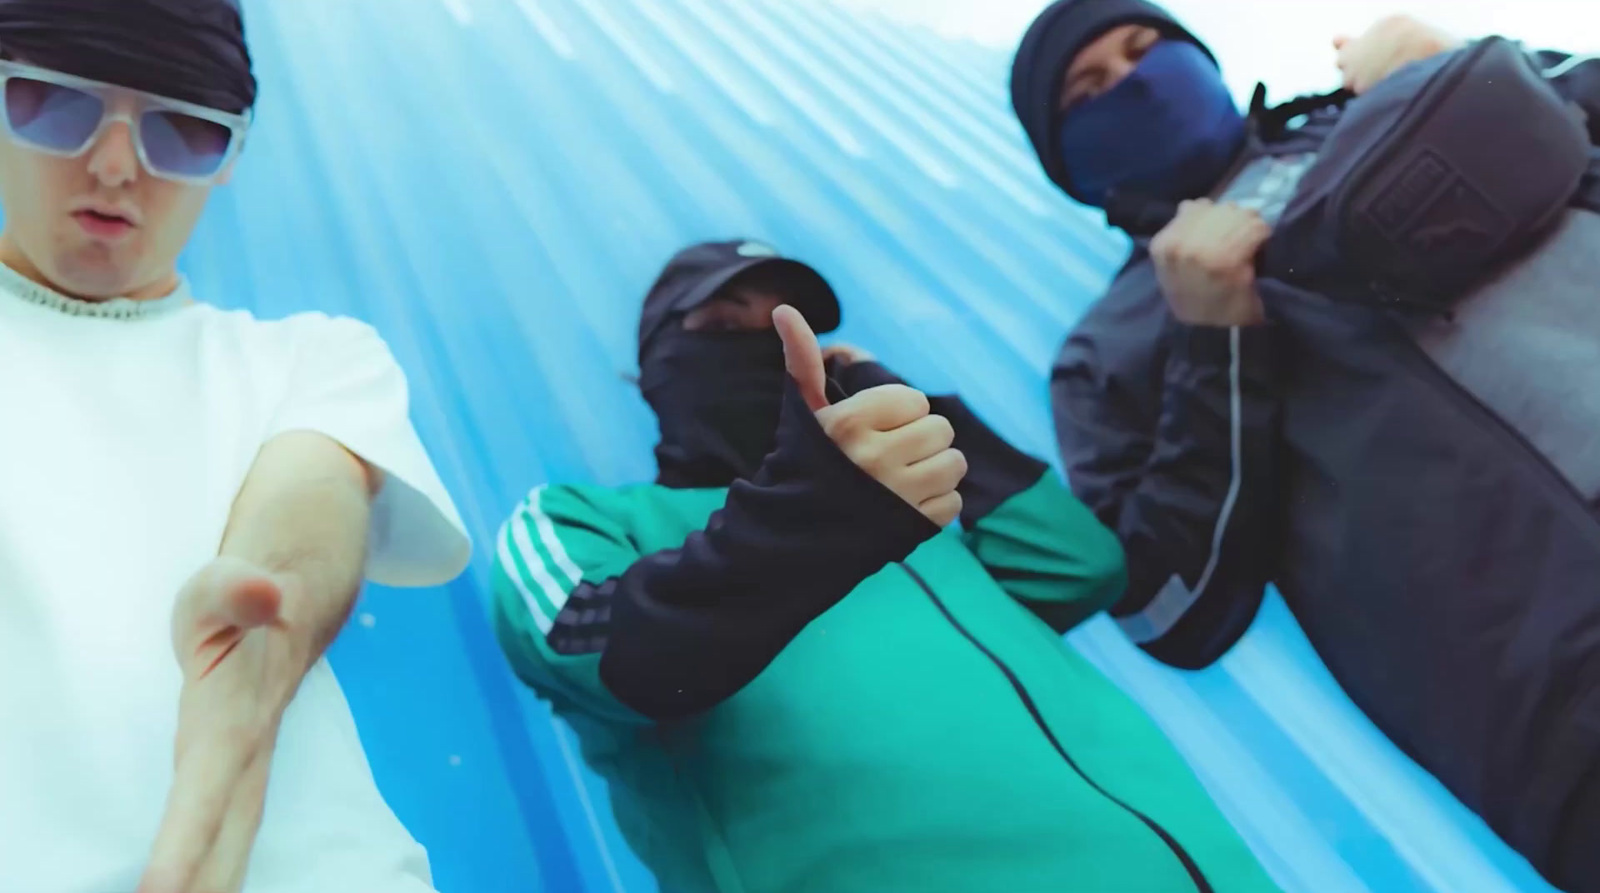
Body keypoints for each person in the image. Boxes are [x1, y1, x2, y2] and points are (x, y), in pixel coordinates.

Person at [1011, 2, 1600, 890]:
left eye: (1144, 51)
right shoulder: (1111, 348)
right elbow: (1169, 604)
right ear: (1069, 164)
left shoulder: (1391, 105)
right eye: (1088, 89)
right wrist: (1213, 340)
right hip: (1562, 710)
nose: (1130, 83)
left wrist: (1488, 70)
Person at [491, 239, 1283, 893]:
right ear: (660, 362)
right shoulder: (590, 517)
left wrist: (915, 411)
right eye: (725, 322)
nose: (763, 343)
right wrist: (812, 511)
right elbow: (600, 639)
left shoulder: (924, 527)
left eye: (781, 327)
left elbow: (1077, 563)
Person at [0, 1, 471, 890]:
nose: (113, 167)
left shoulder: (311, 358)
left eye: (181, 131)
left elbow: (308, 505)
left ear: (232, 155)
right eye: (57, 105)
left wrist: (255, 660)